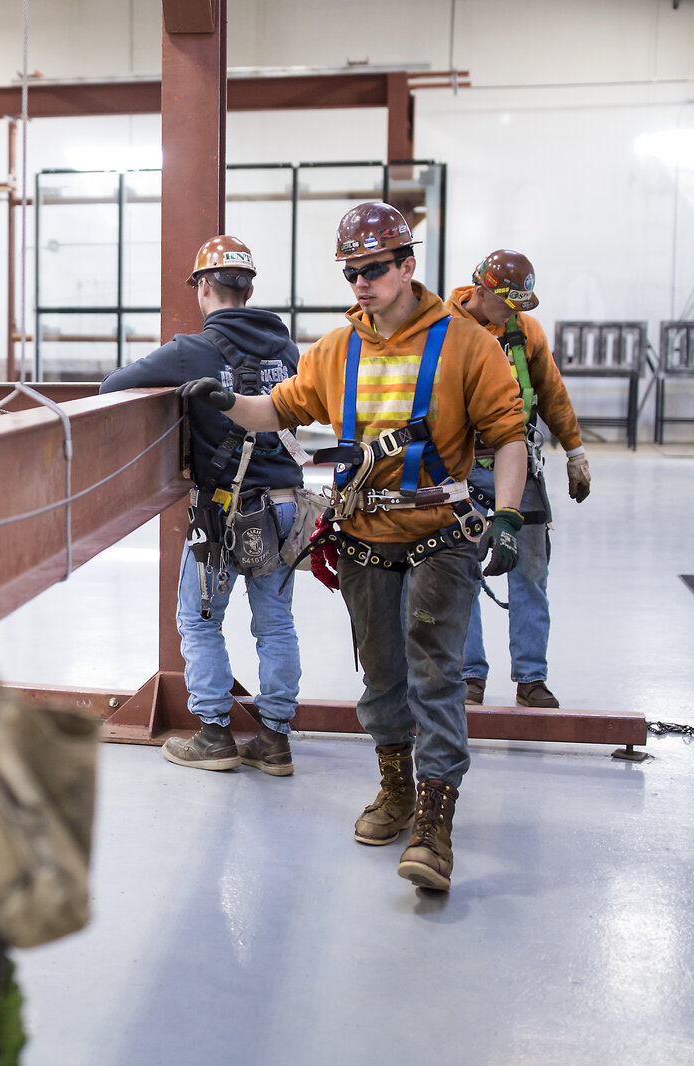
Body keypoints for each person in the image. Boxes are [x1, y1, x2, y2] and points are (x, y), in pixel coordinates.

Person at [175, 203, 526, 892]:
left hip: (441, 536)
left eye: (373, 270)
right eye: (351, 272)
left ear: (407, 265)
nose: (361, 283)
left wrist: (508, 514)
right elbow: (278, 409)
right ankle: (395, 788)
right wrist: (223, 402)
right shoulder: (337, 349)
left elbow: (509, 434)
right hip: (365, 537)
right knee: (382, 678)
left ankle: (434, 820)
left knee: (435, 673)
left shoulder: (465, 344)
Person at [101, 236, 305, 776]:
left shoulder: (193, 349)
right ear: (251, 288)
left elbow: (113, 386)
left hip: (226, 512)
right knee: (277, 623)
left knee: (198, 619)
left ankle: (214, 734)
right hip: (286, 507)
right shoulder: (286, 350)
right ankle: (275, 739)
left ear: (205, 287)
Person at [446, 251, 592, 708]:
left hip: (517, 462)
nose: (516, 313)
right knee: (460, 570)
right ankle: (469, 676)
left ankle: (531, 679)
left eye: (520, 306)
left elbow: (551, 394)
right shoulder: (443, 331)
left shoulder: (524, 332)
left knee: (530, 571)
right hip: (461, 468)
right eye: (508, 304)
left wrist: (576, 453)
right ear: (481, 291)